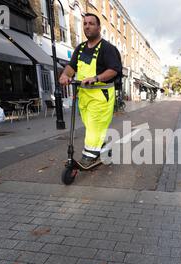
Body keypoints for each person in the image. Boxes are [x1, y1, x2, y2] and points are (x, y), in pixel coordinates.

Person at [59, 13, 122, 168]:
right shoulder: (80, 48)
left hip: (101, 95)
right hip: (83, 95)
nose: (87, 26)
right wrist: (65, 75)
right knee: (91, 126)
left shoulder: (107, 48)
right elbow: (71, 67)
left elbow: (114, 70)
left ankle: (88, 156)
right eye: (85, 23)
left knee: (94, 126)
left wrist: (96, 78)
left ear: (99, 27)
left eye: (91, 23)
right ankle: (103, 148)